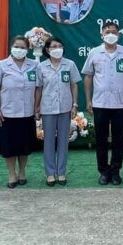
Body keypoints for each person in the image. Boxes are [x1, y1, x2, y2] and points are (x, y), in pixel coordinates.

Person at [82, 21, 123, 185]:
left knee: (118, 139)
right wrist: (88, 100)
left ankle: (115, 171)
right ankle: (103, 172)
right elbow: (88, 76)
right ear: (102, 35)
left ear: (119, 34)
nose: (110, 34)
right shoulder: (94, 52)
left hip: (120, 103)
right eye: (107, 32)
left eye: (114, 32)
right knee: (101, 139)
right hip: (100, 103)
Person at [0, 36, 39, 188]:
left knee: (24, 146)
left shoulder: (34, 65)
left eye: (23, 47)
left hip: (27, 113)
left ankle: (22, 172)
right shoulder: (1, 65)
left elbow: (38, 88)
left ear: (28, 49)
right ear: (11, 47)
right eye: (17, 46)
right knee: (9, 147)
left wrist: (36, 107)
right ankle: (12, 174)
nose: (19, 50)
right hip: (7, 113)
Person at [35, 37, 82, 186]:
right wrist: (36, 107)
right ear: (47, 49)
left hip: (65, 108)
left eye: (60, 46)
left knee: (63, 141)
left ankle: (61, 172)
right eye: (54, 46)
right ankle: (50, 173)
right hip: (47, 108)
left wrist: (75, 104)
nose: (57, 49)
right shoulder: (41, 67)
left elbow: (74, 85)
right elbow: (39, 88)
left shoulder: (70, 64)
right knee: (48, 141)